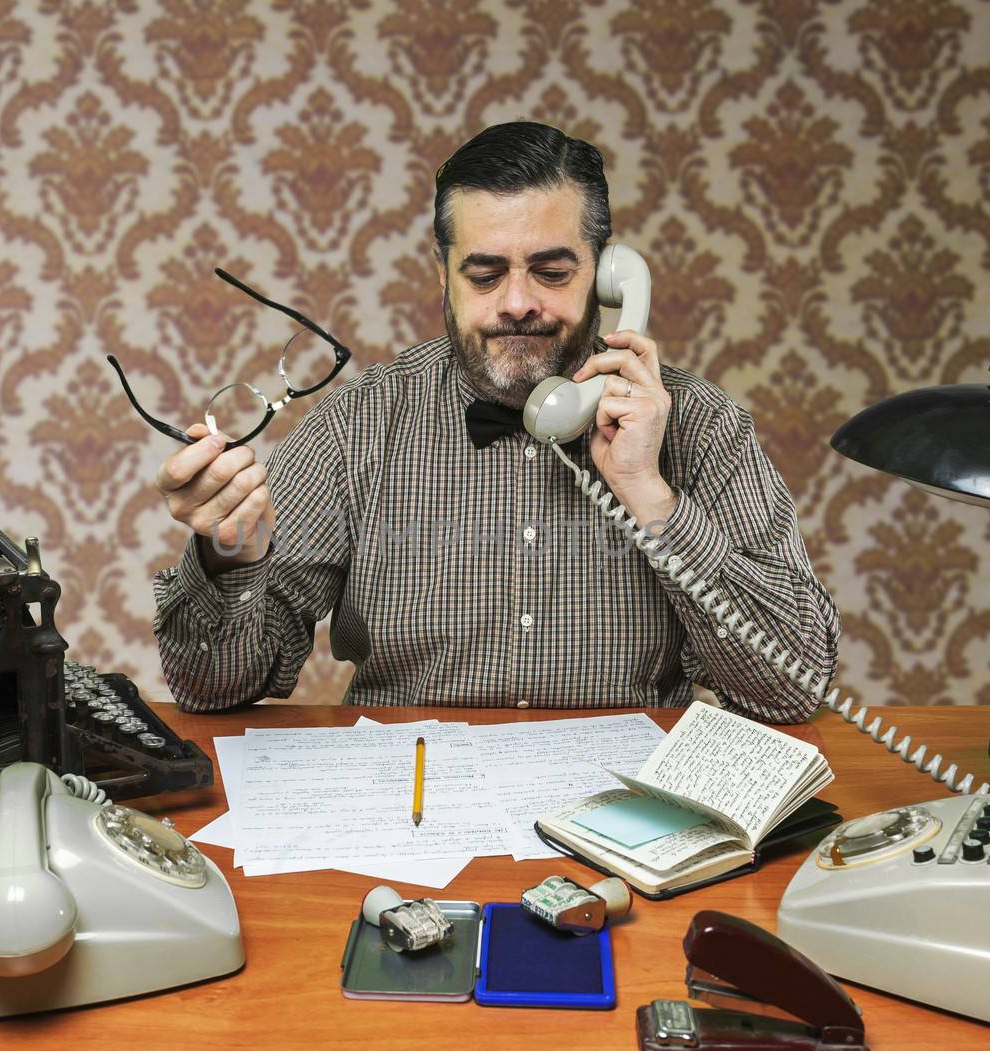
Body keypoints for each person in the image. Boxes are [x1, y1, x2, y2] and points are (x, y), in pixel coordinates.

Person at [149, 121, 839, 722]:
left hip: (627, 833)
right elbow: (211, 691)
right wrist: (229, 558)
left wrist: (650, 495)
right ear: (443, 279)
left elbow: (792, 688)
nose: (517, 302)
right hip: (412, 817)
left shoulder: (704, 426)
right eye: (484, 274)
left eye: (551, 271)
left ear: (606, 275)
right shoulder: (360, 423)